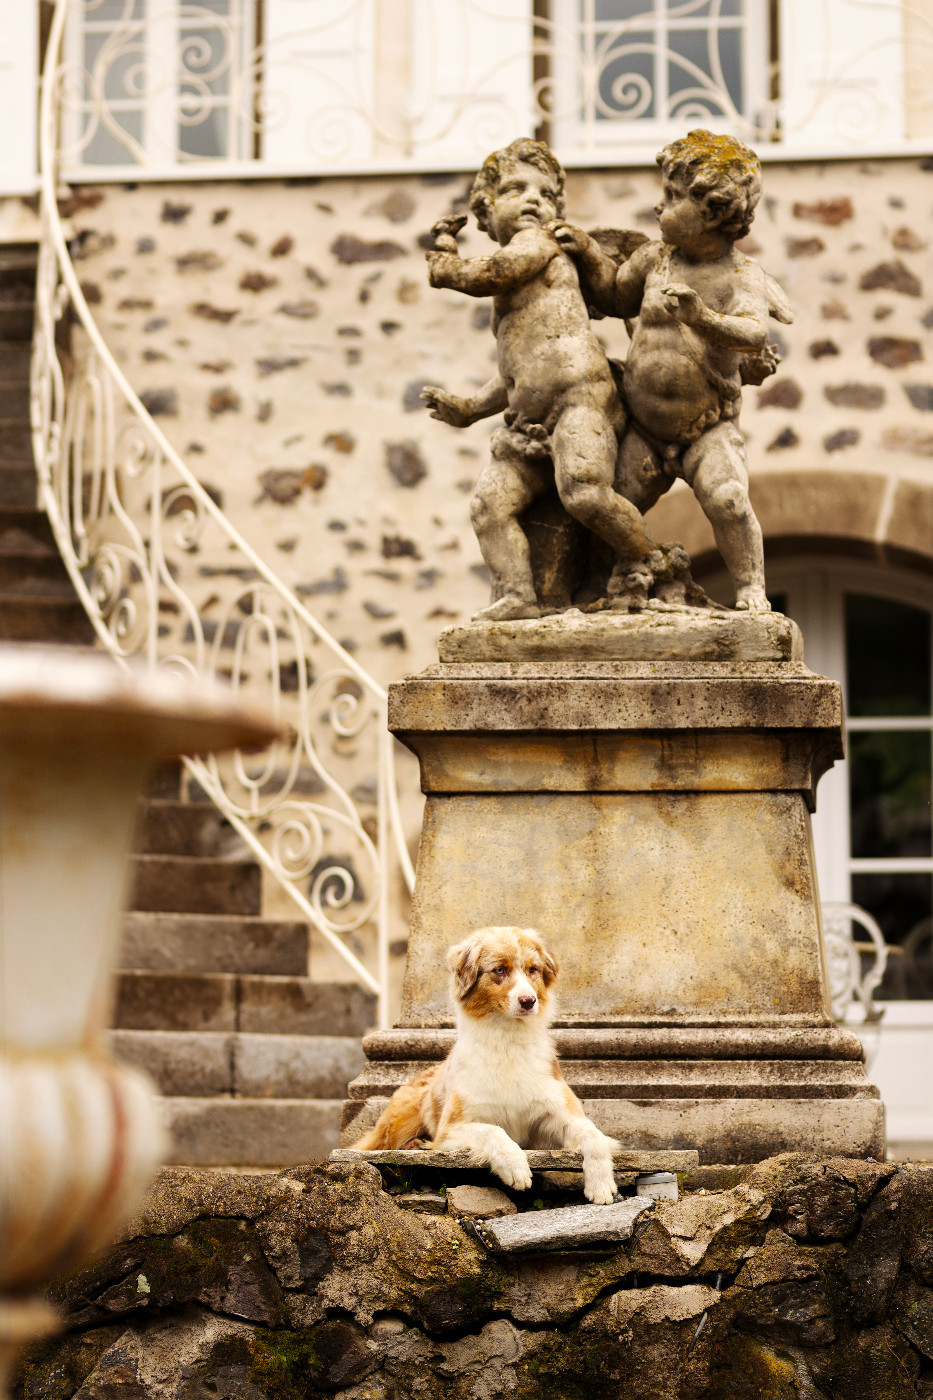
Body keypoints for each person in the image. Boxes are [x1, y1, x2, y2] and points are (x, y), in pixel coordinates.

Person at [554, 129, 792, 613]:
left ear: (714, 213)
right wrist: (586, 252)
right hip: (644, 428)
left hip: (707, 428)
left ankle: (750, 587)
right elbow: (612, 296)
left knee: (727, 501)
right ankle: (602, 587)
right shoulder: (653, 259)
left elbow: (752, 332)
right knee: (610, 507)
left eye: (672, 198)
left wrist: (700, 317)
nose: (658, 208)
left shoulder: (739, 276)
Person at [420, 138, 659, 621]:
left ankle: (643, 557)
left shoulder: (539, 243)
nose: (534, 200)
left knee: (584, 492)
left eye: (546, 194)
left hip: (580, 402)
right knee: (489, 507)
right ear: (486, 212)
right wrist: (469, 409)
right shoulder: (511, 295)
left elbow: (488, 272)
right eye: (516, 189)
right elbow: (515, 372)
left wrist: (447, 265)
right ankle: (519, 595)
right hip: (528, 422)